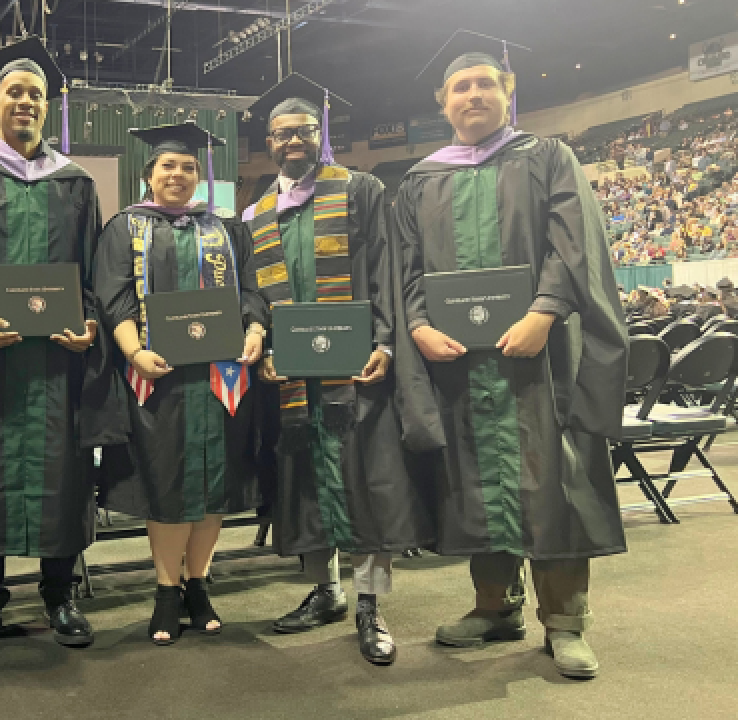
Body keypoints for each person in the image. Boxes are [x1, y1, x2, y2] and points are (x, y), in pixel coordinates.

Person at [391, 49, 629, 680]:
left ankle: (565, 623)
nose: (472, 95)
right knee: (476, 482)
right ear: (443, 101)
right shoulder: (420, 180)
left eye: (484, 84)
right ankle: (495, 607)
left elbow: (572, 241)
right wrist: (418, 324)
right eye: (460, 87)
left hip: (538, 359)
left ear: (507, 90)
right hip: (461, 366)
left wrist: (544, 311)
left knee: (552, 485)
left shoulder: (547, 157)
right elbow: (406, 267)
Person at [0, 36, 123, 656]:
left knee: (60, 474)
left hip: (57, 362)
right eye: (14, 92)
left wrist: (89, 322)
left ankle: (60, 595)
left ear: (47, 105)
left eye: (36, 94)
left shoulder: (76, 183)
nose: (26, 102)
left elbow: (92, 270)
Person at [240, 75, 433, 665]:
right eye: (282, 134)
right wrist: (261, 342)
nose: (293, 141)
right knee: (306, 484)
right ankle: (326, 591)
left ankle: (370, 603)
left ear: (320, 135)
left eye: (304, 131)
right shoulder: (256, 214)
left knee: (367, 485)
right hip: (293, 376)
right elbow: (252, 296)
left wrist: (386, 342)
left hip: (356, 369)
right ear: (269, 142)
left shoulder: (360, 189)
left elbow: (385, 269)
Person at [94, 121, 267, 645]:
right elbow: (114, 298)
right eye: (168, 165)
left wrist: (255, 329)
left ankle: (199, 584)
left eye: (188, 167)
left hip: (219, 378)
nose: (178, 174)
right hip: (159, 378)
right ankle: (166, 591)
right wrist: (134, 352)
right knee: (167, 486)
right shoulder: (125, 227)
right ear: (149, 174)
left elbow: (251, 292)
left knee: (213, 486)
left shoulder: (226, 229)